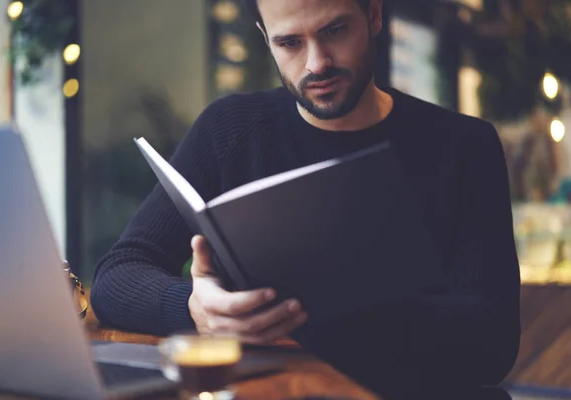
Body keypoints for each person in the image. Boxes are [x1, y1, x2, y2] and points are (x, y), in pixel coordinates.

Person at [91, 0, 520, 396]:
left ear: (373, 15)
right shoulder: (228, 132)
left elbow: (493, 343)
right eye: (290, 42)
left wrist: (336, 314)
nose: (317, 63)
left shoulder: (463, 146)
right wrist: (195, 309)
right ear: (265, 39)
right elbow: (116, 277)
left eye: (334, 30)